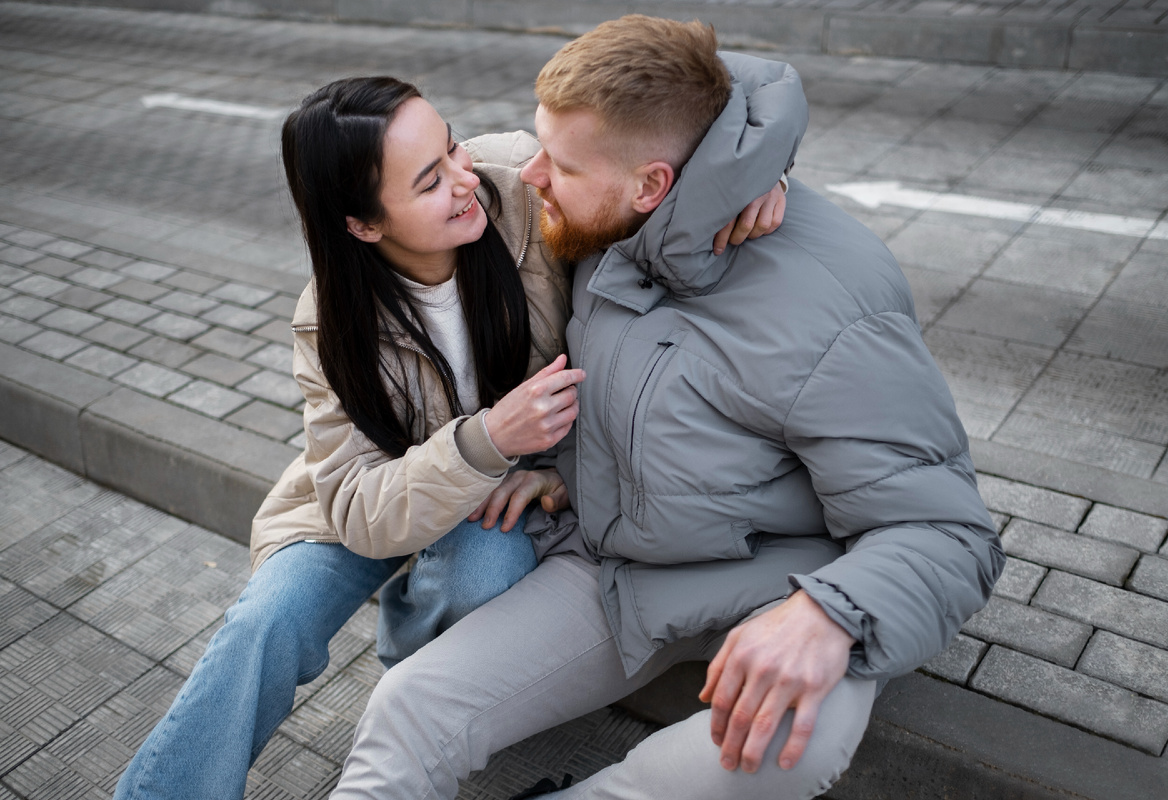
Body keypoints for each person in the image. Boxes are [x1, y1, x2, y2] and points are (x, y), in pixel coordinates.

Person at [330, 15, 1005, 800]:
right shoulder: (609, 224)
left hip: (786, 583)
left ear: (653, 183)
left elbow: (952, 532)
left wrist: (832, 614)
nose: (528, 175)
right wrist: (557, 464)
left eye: (562, 163)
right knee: (408, 707)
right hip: (621, 574)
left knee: (786, 744)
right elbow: (700, 85)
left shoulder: (833, 307)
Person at [113, 75, 785, 800]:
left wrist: (752, 175)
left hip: (504, 493)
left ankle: (411, 673)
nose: (467, 180)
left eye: (453, 147)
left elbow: (677, 102)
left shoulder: (526, 189)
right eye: (431, 180)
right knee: (265, 620)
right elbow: (357, 507)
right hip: (372, 495)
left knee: (478, 577)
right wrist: (483, 439)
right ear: (364, 225)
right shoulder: (329, 319)